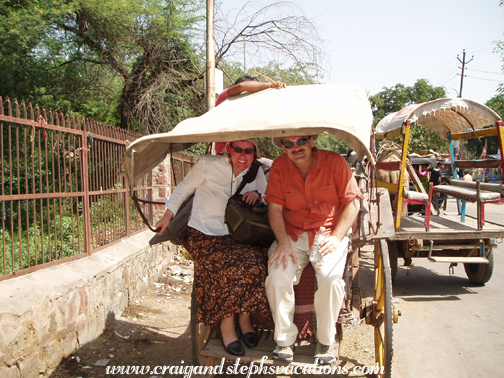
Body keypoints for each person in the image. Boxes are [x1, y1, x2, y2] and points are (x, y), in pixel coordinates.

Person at [155, 139, 271, 357]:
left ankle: (245, 320)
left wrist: (256, 194)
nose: (242, 155)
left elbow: (266, 196)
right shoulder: (208, 164)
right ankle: (226, 327)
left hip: (236, 234)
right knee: (224, 267)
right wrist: (167, 216)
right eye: (238, 149)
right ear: (229, 150)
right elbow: (183, 189)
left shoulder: (255, 171)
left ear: (254, 153)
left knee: (254, 262)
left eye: (248, 151)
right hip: (204, 232)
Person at [264, 135, 363, 365]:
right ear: (283, 147)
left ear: (311, 141)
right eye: (288, 144)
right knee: (277, 277)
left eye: (300, 141)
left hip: (328, 233)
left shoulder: (335, 162)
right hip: (293, 234)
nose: (295, 147)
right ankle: (285, 339)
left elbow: (353, 203)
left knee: (331, 280)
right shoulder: (280, 166)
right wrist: (283, 242)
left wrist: (338, 237)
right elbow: (275, 208)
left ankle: (325, 341)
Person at [213, 76, 286, 155]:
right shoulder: (225, 97)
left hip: (245, 154)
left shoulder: (248, 108)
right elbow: (242, 86)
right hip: (225, 154)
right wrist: (269, 85)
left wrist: (277, 89)